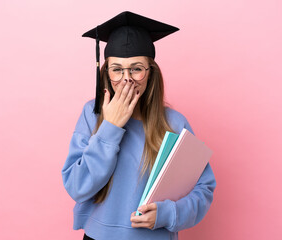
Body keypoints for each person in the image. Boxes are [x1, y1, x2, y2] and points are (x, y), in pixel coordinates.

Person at [61, 11, 216, 240]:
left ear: (150, 73)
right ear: (106, 72)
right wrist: (111, 126)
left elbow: (203, 189)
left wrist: (167, 214)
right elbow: (77, 186)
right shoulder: (92, 115)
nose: (126, 79)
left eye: (136, 68)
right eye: (117, 69)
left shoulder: (174, 122)